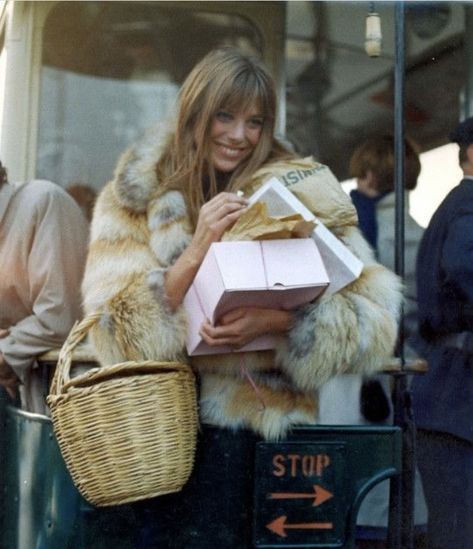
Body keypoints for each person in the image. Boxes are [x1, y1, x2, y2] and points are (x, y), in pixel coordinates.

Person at [81, 47, 403, 547]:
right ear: (195, 113)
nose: (239, 135)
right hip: (168, 440)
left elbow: (377, 319)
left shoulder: (302, 191)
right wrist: (199, 247)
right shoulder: (134, 198)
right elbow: (111, 331)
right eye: (224, 116)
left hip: (276, 442)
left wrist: (275, 323)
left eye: (255, 122)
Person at [322, 136, 426, 548]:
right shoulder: (415, 234)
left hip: (347, 380)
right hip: (401, 375)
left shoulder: (343, 231)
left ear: (364, 174)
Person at [411, 116, 473, 549]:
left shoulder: (458, 203)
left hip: (448, 395)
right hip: (457, 399)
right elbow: (464, 266)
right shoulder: (469, 206)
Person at [0, 161, 89, 412]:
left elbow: (59, 318)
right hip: (28, 403)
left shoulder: (42, 202)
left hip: (80, 404)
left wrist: (8, 348)